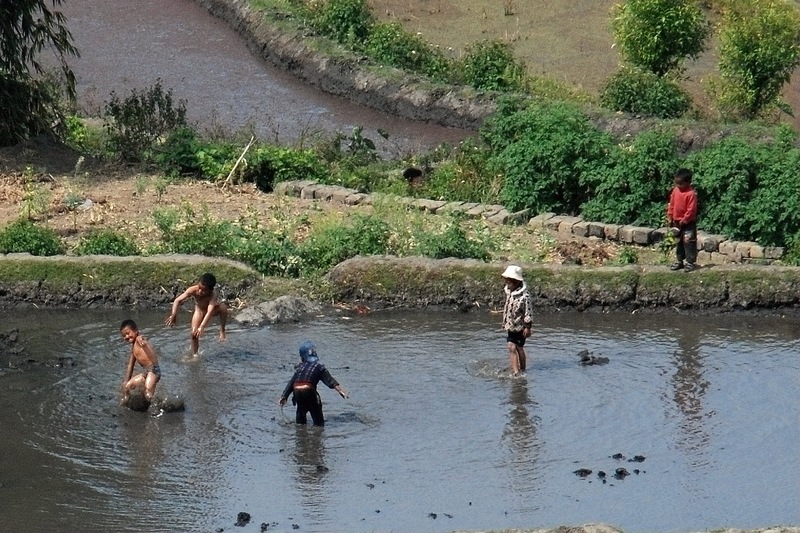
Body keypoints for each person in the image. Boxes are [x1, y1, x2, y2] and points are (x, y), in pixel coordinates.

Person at [279, 341, 349, 426]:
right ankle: (318, 429)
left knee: (301, 413)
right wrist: (340, 390)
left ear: (302, 358)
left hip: (297, 390)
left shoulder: (299, 369)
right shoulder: (319, 367)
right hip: (309, 389)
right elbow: (330, 380)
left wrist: (284, 396)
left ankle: (300, 431)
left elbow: (291, 383)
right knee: (317, 414)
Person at [164, 272, 228, 357]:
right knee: (194, 333)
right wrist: (174, 315)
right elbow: (177, 301)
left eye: (203, 290)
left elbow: (210, 311)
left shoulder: (213, 295)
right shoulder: (193, 289)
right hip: (199, 311)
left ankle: (222, 330)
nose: (200, 291)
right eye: (199, 288)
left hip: (212, 310)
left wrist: (202, 326)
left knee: (223, 308)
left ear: (210, 290)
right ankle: (195, 354)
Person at [119, 319, 161, 404]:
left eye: (128, 333)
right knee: (128, 387)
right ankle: (126, 403)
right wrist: (126, 380)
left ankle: (157, 409)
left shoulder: (139, 339)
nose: (126, 337)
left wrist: (141, 339)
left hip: (153, 371)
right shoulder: (133, 349)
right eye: (124, 336)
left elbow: (140, 338)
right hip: (146, 372)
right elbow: (130, 366)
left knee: (148, 392)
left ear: (136, 331)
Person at [502, 265, 533, 377]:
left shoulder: (525, 296)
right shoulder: (509, 292)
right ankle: (516, 371)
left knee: (519, 348)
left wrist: (528, 327)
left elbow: (528, 312)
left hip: (521, 326)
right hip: (511, 325)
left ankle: (523, 369)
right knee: (511, 346)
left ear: (515, 281)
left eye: (509, 281)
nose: (507, 283)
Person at [667, 168, 699, 272]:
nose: (678, 186)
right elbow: (672, 204)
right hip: (676, 221)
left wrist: (684, 220)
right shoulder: (676, 191)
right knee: (678, 241)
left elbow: (691, 210)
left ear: (688, 182)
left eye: (681, 184)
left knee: (689, 241)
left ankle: (690, 262)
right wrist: (670, 216)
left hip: (688, 222)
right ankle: (679, 260)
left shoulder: (691, 194)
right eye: (677, 183)